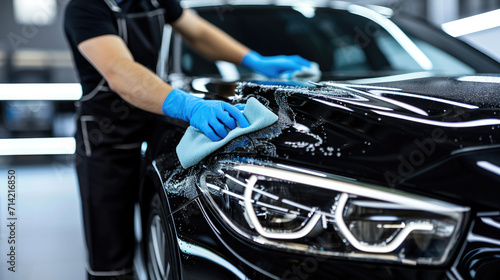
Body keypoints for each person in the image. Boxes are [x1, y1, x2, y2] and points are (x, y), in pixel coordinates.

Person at [64, 0, 314, 279]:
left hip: (151, 117)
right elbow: (119, 70)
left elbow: (198, 33)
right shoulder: (85, 8)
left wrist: (253, 60)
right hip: (106, 137)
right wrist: (189, 105)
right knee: (110, 255)